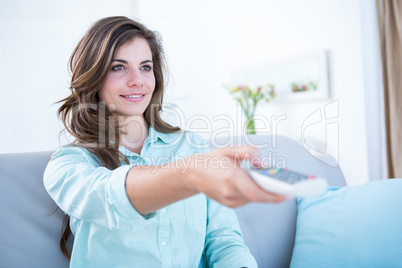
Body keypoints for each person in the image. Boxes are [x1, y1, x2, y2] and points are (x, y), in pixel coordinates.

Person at [43, 16, 285, 267]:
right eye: (118, 67)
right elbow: (112, 197)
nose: (137, 80)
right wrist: (192, 173)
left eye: (145, 67)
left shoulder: (192, 146)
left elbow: (224, 241)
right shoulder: (68, 165)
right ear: (93, 76)